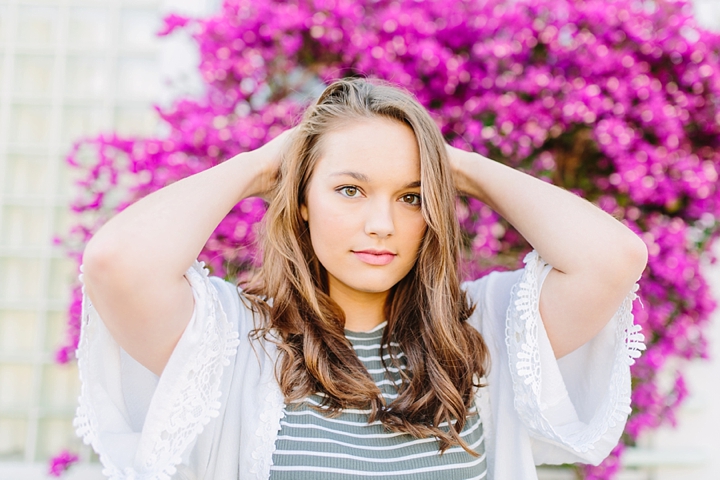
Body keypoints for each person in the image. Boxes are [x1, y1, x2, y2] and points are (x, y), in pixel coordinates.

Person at [74, 78, 647, 480]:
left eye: (410, 196)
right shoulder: (234, 340)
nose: (381, 224)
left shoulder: (484, 333)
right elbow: (116, 264)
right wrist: (260, 165)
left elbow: (613, 258)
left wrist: (455, 165)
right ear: (300, 200)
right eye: (349, 189)